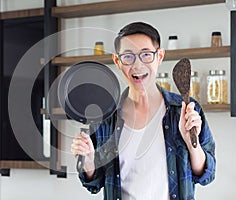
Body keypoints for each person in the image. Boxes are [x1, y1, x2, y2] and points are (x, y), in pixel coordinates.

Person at [70, 22, 216, 200]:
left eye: (146, 55)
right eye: (128, 57)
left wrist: (192, 144)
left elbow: (206, 175)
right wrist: (89, 160)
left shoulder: (185, 110)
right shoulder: (105, 117)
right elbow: (93, 183)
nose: (138, 65)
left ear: (159, 56)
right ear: (117, 61)